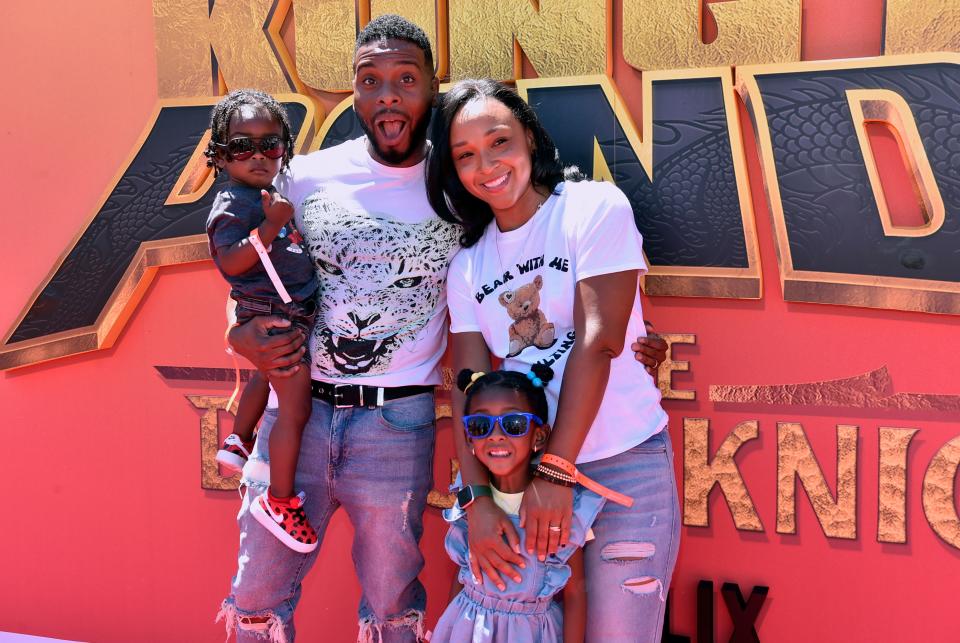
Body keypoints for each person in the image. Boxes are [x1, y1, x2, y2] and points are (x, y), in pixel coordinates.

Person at [217, 15, 668, 643]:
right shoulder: (311, 179)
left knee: (400, 606)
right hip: (334, 420)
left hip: (439, 432)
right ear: (352, 89)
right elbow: (256, 270)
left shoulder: (522, 202)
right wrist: (236, 336)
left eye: (406, 78)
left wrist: (634, 352)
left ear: (432, 86)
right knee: (259, 592)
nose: (388, 95)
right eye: (369, 80)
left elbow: (591, 333)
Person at [426, 78, 680, 642]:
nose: (487, 165)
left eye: (499, 143)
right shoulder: (468, 265)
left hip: (622, 463)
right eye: (465, 156)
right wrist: (477, 500)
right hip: (517, 477)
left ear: (531, 141)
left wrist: (556, 469)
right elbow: (466, 385)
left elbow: (600, 341)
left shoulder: (593, 207)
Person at [204, 89, 319, 553]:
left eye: (269, 145)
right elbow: (230, 262)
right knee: (295, 411)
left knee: (262, 379)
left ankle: (238, 439)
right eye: (241, 147)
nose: (257, 156)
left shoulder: (262, 194)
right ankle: (279, 501)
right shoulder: (234, 203)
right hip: (276, 321)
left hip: (284, 312)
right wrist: (271, 226)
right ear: (220, 156)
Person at [433, 364, 603, 643]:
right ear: (468, 437)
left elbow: (575, 593)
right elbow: (463, 574)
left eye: (513, 424)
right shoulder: (470, 500)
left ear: (539, 436)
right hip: (469, 631)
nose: (496, 435)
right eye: (480, 425)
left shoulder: (560, 508)